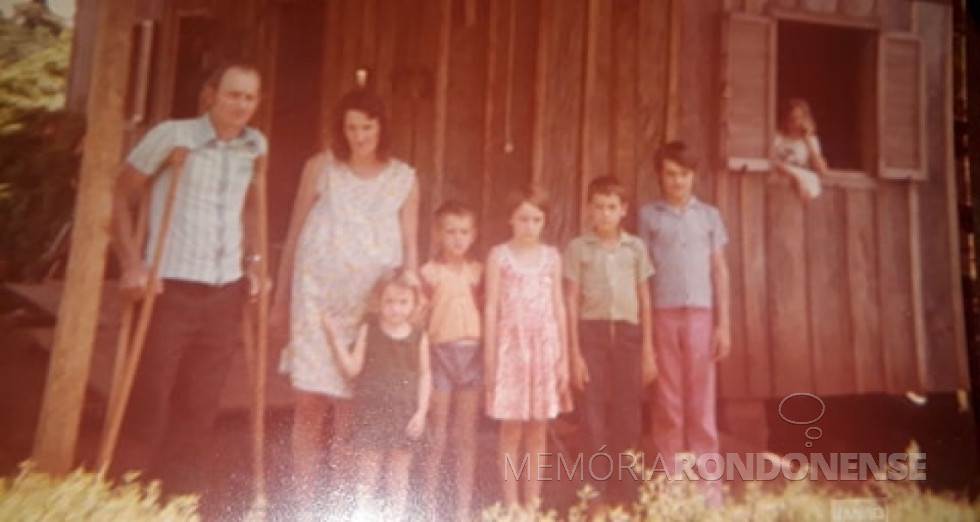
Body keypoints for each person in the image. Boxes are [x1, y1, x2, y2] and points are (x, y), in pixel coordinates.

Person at [110, 61, 267, 492]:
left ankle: (178, 500)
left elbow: (252, 207)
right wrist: (131, 264)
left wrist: (254, 262)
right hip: (170, 287)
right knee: (151, 395)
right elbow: (119, 193)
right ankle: (127, 496)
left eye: (249, 97)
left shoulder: (255, 147)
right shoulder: (173, 137)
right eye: (233, 94)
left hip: (225, 290)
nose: (241, 105)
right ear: (211, 95)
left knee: (201, 405)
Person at [270, 88, 420, 513]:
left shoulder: (403, 178)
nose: (359, 136)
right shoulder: (321, 168)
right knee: (310, 403)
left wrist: (411, 302)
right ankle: (304, 507)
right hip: (316, 300)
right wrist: (280, 301)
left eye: (367, 127)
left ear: (382, 127)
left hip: (369, 307)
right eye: (351, 128)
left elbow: (410, 243)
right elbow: (294, 233)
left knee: (351, 409)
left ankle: (338, 507)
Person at [638, 140, 730, 506]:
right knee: (669, 403)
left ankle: (709, 492)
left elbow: (719, 270)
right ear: (660, 177)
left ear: (694, 176)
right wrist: (647, 333)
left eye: (684, 174)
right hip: (663, 314)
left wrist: (724, 324)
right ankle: (673, 489)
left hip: (701, 316)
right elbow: (643, 276)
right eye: (671, 174)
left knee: (702, 403)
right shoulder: (649, 216)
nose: (678, 181)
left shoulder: (709, 216)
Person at [563, 175, 656, 504]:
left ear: (623, 210)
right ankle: (595, 496)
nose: (605, 213)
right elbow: (571, 300)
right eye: (599, 207)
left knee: (628, 416)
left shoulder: (635, 248)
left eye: (611, 207)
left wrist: (648, 350)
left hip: (628, 335)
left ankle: (626, 494)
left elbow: (644, 299)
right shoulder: (578, 248)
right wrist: (574, 354)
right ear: (589, 209)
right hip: (591, 333)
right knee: (593, 416)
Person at [484, 187, 571, 509]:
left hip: (544, 350)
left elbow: (559, 307)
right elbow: (491, 307)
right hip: (511, 351)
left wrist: (562, 359)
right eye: (523, 219)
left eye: (536, 219)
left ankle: (531, 505)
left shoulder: (552, 258)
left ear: (544, 222)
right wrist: (491, 358)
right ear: (511, 219)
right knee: (511, 429)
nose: (529, 226)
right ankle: (511, 506)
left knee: (538, 430)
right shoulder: (499, 256)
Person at [325, 269, 431, 521]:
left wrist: (421, 412)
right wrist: (334, 337)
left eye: (403, 302)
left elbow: (425, 374)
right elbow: (353, 368)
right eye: (389, 301)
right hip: (371, 416)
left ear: (414, 303)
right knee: (367, 479)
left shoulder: (418, 336)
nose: (396, 309)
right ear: (379, 302)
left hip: (404, 415)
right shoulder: (369, 330)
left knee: (398, 479)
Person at [419, 201, 483, 520]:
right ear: (437, 234)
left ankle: (462, 508)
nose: (457, 239)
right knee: (438, 433)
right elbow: (420, 320)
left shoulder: (478, 273)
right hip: (440, 354)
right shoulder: (428, 274)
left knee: (466, 434)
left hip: (472, 356)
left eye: (464, 232)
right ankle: (429, 505)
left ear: (473, 235)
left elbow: (489, 312)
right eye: (450, 232)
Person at [772, 98, 829, 200]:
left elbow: (822, 171)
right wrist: (795, 178)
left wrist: (807, 140)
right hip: (781, 187)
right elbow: (772, 161)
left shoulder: (811, 140)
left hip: (801, 194)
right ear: (786, 120)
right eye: (792, 119)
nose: (796, 123)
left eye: (800, 119)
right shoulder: (778, 138)